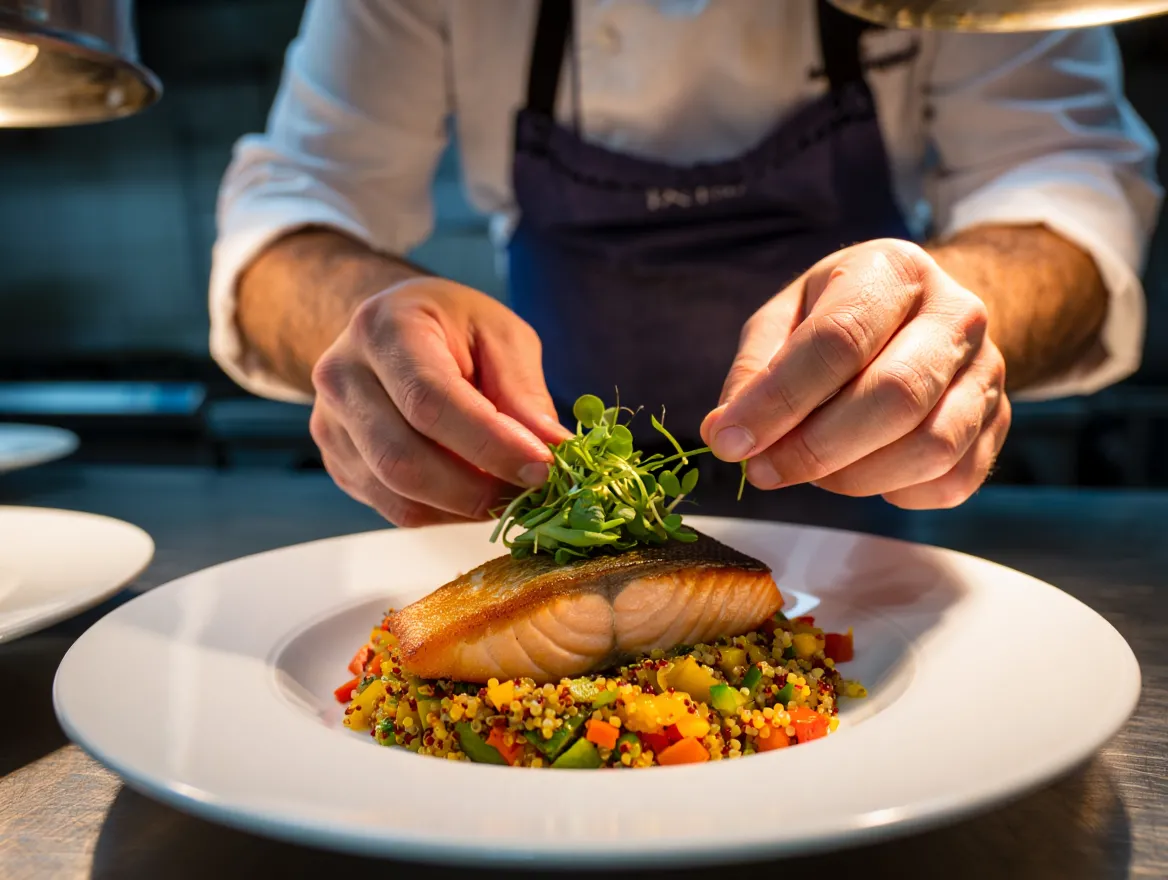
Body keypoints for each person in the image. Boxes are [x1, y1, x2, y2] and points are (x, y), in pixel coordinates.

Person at [209, 0, 1160, 527]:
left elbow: (1065, 178)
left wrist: (943, 328)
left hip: (875, 539)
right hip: (545, 505)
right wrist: (369, 318)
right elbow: (294, 208)